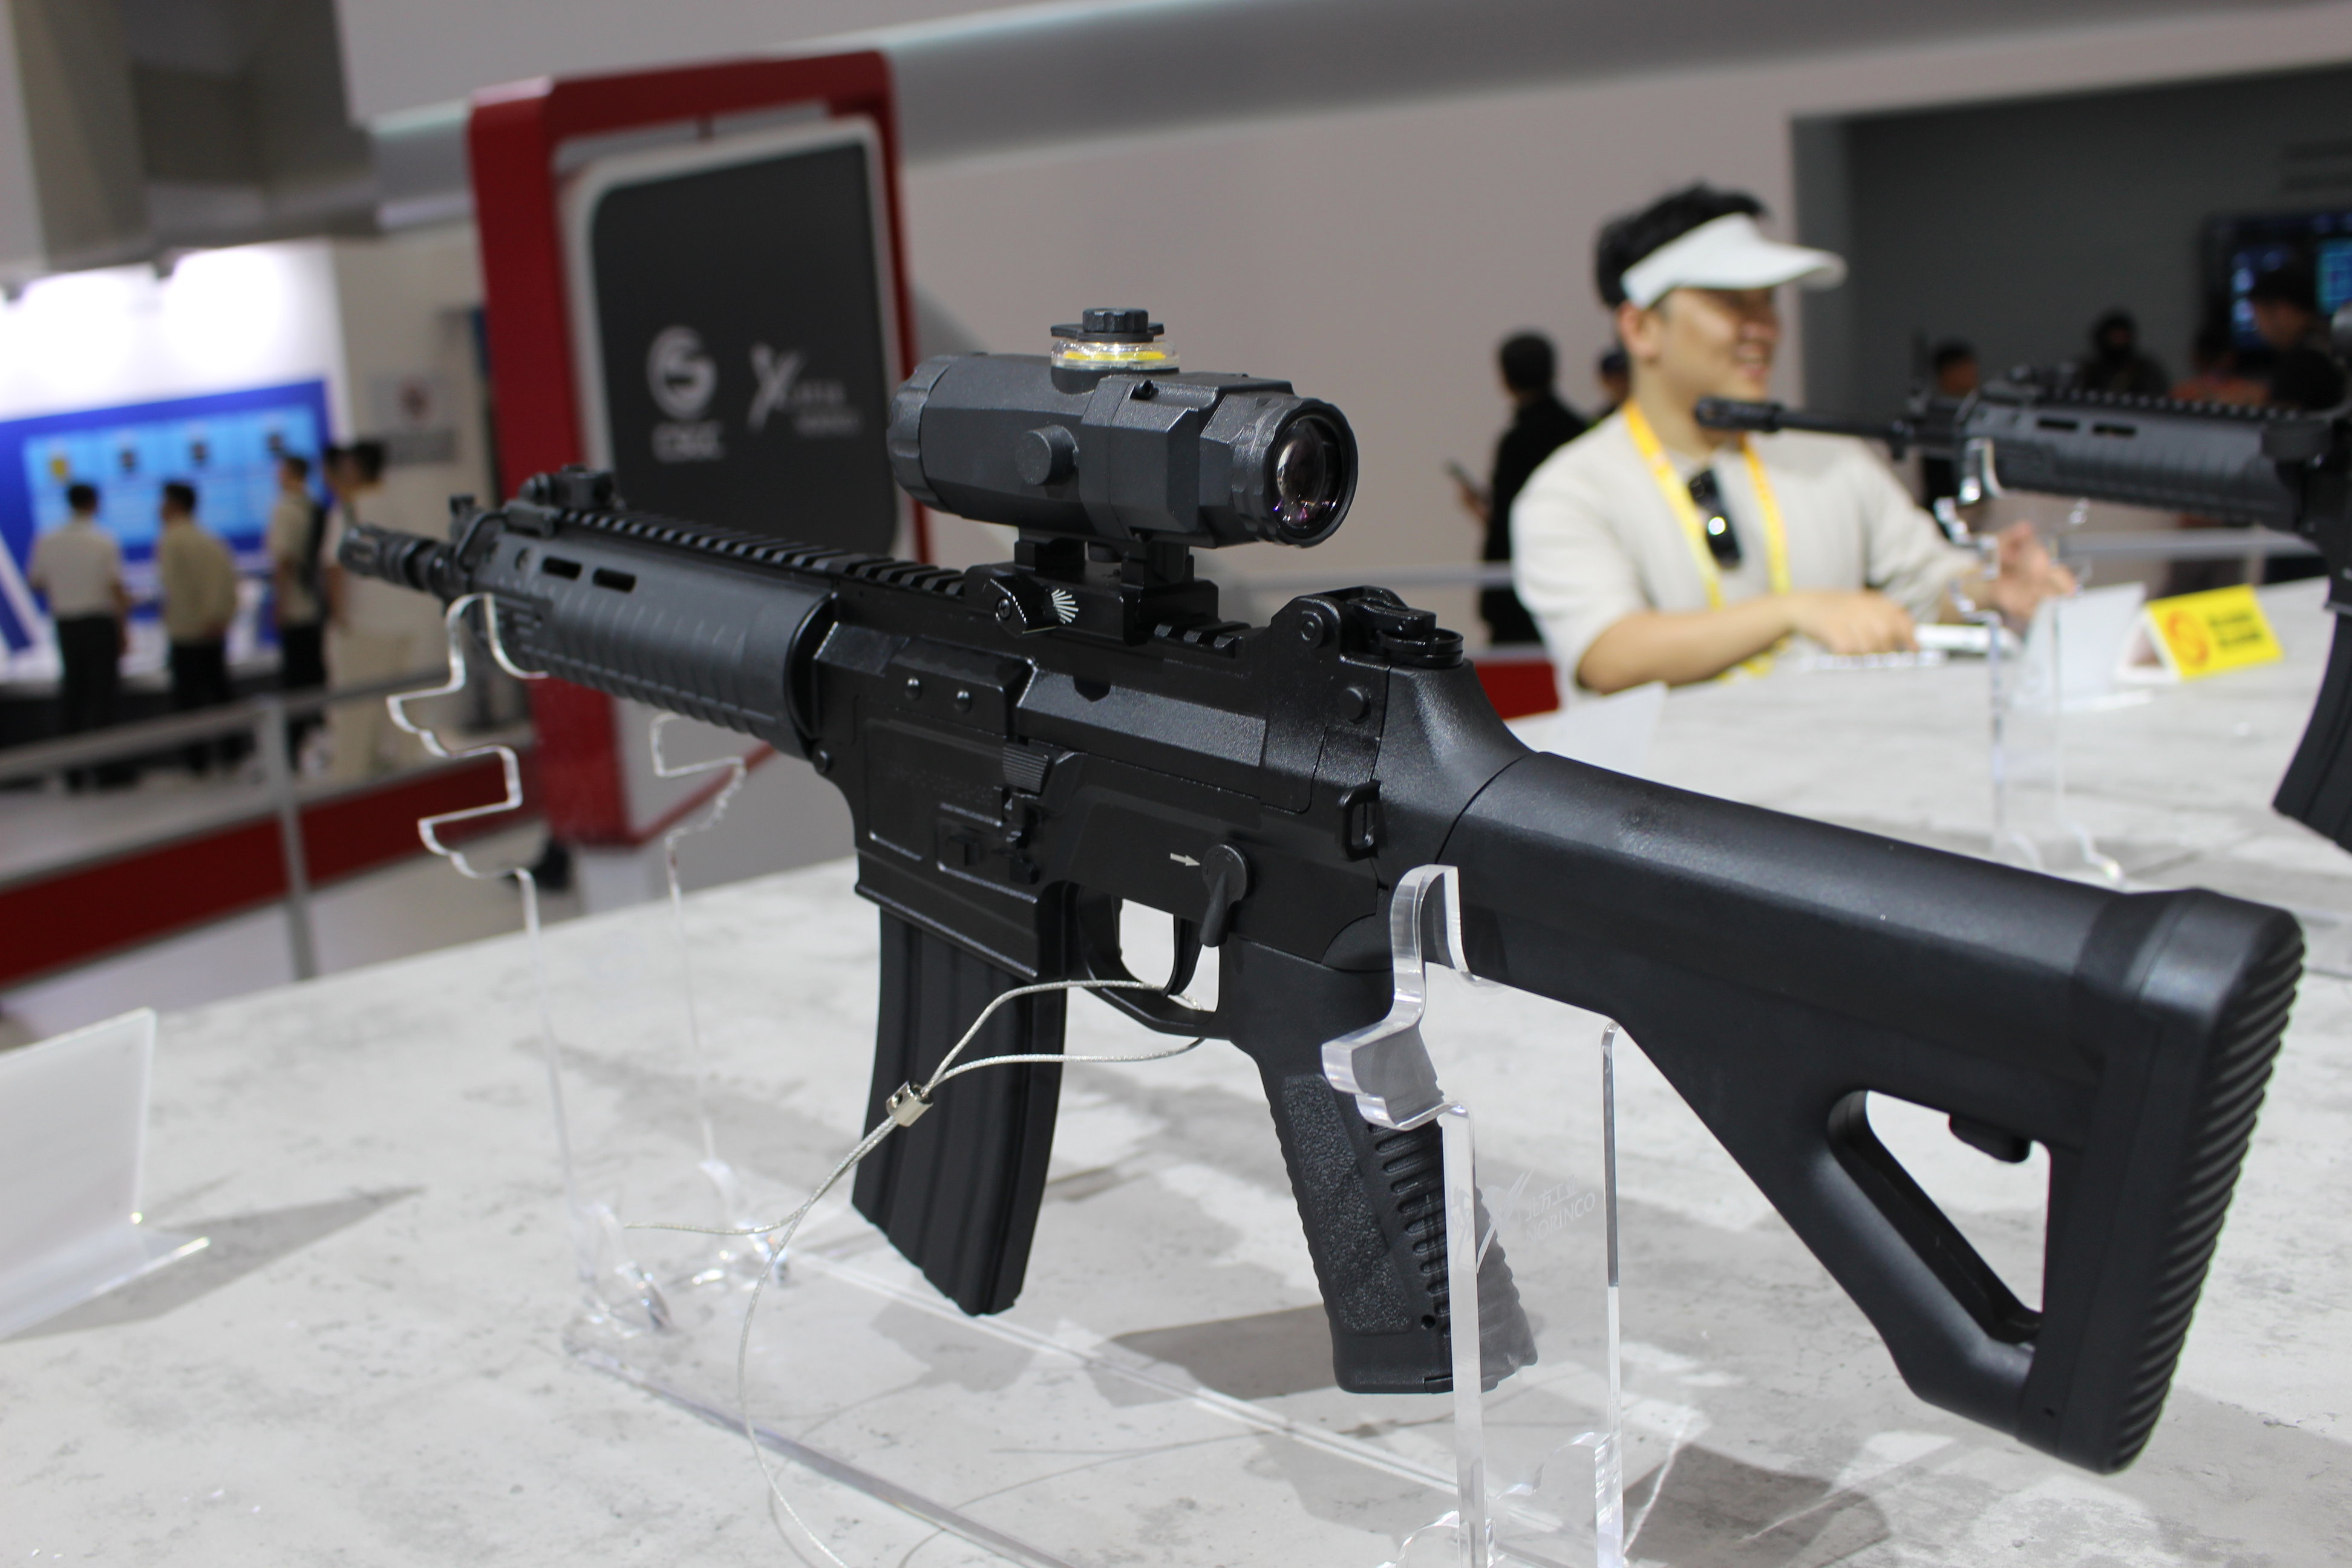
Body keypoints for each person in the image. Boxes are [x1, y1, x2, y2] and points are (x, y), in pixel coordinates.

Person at [1512, 183, 2075, 696]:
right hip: (1662, 776)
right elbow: (1610, 654)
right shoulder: (1573, 489)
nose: (1763, 328)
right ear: (1640, 329)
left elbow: (1927, 585)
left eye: (1768, 301)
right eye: (1730, 301)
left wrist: (1990, 585)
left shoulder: (1829, 458)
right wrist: (1793, 612)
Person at [1457, 332, 1586, 645]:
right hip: (1576, 582)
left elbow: (1507, 522)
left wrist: (1483, 512)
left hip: (1519, 599)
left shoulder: (1517, 441)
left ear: (1505, 379)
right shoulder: (1581, 433)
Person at [321, 440, 436, 781]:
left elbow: (335, 568)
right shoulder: (401, 506)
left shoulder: (350, 511)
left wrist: (339, 619)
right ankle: (412, 775)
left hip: (366, 626)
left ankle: (351, 783)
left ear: (354, 468)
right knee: (406, 711)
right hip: (408, 622)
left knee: (356, 716)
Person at [27, 481, 129, 788]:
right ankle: (107, 771)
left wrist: (66, 587)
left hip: (67, 625)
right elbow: (115, 587)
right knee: (103, 699)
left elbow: (37, 581)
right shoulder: (102, 540)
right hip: (98, 623)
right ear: (93, 504)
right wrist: (123, 629)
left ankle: (73, 773)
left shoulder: (48, 540)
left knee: (73, 696)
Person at [155, 480, 243, 774]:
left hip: (187, 633)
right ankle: (232, 752)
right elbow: (227, 582)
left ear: (173, 505)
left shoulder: (172, 540)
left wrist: (187, 621)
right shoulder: (209, 539)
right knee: (220, 694)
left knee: (189, 702)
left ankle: (197, 762)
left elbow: (175, 590)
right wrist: (219, 617)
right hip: (212, 631)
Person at [265, 452, 328, 754]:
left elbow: (285, 561)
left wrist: (280, 604)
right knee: (316, 673)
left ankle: (295, 745)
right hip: (316, 603)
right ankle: (321, 736)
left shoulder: (286, 509)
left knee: (296, 679)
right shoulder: (313, 507)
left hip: (298, 605)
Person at [2247, 261, 2347, 413]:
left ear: (2282, 310)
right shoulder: (2329, 343)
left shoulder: (2303, 363)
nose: (2258, 327)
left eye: (2258, 315)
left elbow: (2282, 422)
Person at [1918, 339, 1979, 513]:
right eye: (1963, 368)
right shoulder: (1935, 417)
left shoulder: (1972, 414)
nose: (1971, 374)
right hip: (1941, 506)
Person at [2074, 309, 2168, 397]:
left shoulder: (2145, 370)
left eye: (2123, 335)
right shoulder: (2087, 370)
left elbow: (2156, 396)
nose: (2119, 340)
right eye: (2115, 335)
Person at [1594, 347, 1630, 416]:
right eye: (1616, 379)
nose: (1622, 384)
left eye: (1624, 377)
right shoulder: (1603, 419)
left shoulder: (1647, 410)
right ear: (1605, 381)